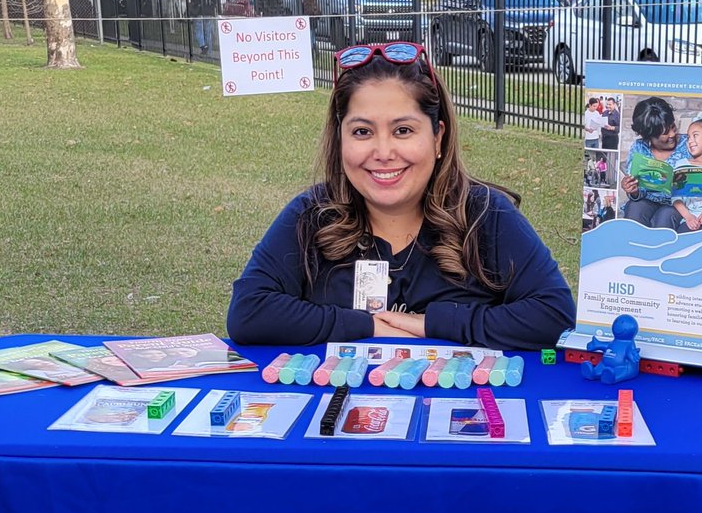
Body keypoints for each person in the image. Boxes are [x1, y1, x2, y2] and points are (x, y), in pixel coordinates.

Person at [227, 42, 574, 350]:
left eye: (403, 130)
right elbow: (249, 312)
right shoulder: (311, 215)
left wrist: (433, 325)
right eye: (362, 131)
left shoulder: (485, 214)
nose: (383, 151)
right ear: (341, 139)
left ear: (438, 137)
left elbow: (554, 314)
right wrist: (367, 326)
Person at [620, 96, 691, 229]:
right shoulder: (639, 148)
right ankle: (630, 249)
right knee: (634, 209)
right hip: (647, 200)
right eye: (665, 133)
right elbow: (637, 191)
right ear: (649, 135)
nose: (671, 134)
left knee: (665, 216)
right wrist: (633, 190)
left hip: (677, 204)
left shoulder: (688, 145)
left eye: (673, 127)